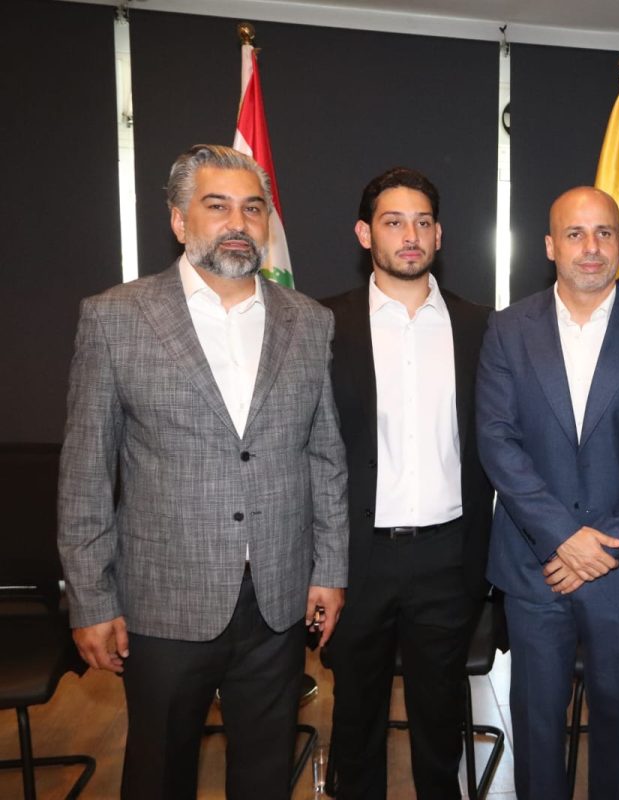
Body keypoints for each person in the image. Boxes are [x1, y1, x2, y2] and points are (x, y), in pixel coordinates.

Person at [57, 143, 349, 799]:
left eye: (253, 208)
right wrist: (91, 598)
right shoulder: (115, 317)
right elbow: (85, 472)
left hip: (277, 598)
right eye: (217, 206)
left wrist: (330, 569)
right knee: (158, 775)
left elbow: (325, 457)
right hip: (163, 602)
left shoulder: (309, 323)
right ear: (178, 219)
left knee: (265, 775)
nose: (238, 223)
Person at [476, 186, 619, 799]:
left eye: (604, 233)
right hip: (535, 566)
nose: (591, 247)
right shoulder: (507, 330)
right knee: (536, 723)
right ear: (551, 246)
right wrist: (562, 538)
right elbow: (497, 442)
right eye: (575, 234)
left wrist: (602, 546)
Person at [321, 167, 494, 799]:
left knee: (440, 722)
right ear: (365, 234)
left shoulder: (481, 327)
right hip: (355, 557)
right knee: (355, 719)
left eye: (423, 222)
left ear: (440, 235)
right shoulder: (322, 324)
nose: (410, 235)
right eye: (394, 222)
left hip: (448, 556)